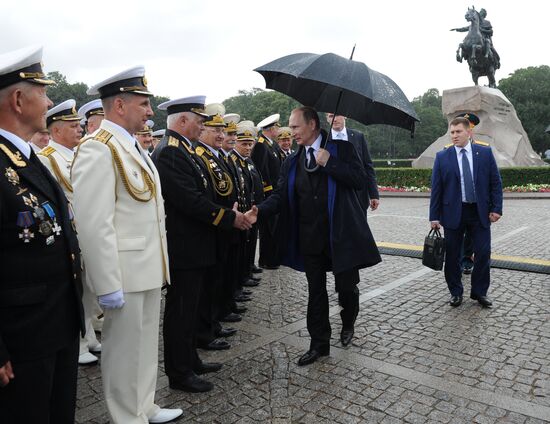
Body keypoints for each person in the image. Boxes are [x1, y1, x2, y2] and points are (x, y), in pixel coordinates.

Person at [71, 66, 182, 424]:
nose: (150, 111)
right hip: (123, 272)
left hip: (148, 266)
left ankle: (144, 405)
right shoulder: (97, 149)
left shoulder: (131, 146)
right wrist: (107, 284)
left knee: (146, 344)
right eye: (144, 103)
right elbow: (93, 223)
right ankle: (125, 416)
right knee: (122, 353)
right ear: (119, 104)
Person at [245, 107, 381, 366]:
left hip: (341, 236)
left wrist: (330, 163)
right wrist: (258, 212)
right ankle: (318, 344)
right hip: (309, 237)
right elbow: (280, 196)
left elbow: (359, 180)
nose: (291, 132)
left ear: (313, 125)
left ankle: (348, 322)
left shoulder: (343, 150)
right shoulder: (291, 161)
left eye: (295, 127)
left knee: (346, 288)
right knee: (315, 292)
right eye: (290, 127)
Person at [0, 45, 85, 423]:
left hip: (56, 323)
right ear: (18, 99)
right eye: (43, 93)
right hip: (21, 338)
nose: (50, 101)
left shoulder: (27, 158)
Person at [151, 96, 250, 394]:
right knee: (181, 311)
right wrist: (229, 218)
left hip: (195, 243)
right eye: (200, 120)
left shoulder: (185, 150)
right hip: (184, 246)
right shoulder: (170, 152)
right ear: (183, 121)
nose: (204, 126)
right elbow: (189, 201)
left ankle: (190, 359)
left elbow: (202, 193)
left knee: (190, 309)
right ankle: (179, 373)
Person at [38, 99, 102, 366]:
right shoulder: (46, 158)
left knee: (88, 288)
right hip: (69, 232)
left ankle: (89, 335)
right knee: (74, 290)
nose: (79, 129)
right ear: (55, 130)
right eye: (73, 126)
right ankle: (78, 344)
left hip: (87, 230)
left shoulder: (78, 154)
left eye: (79, 125)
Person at [429, 116, 503, 308]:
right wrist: (434, 216)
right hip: (453, 212)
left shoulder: (485, 153)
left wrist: (496, 208)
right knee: (452, 255)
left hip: (479, 212)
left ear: (469, 132)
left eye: (458, 132)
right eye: (452, 132)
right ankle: (455, 292)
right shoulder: (442, 157)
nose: (454, 136)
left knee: (483, 252)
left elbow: (495, 182)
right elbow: (437, 189)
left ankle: (479, 293)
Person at [326, 113, 379, 212]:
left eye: (337, 115)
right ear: (327, 119)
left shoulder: (358, 136)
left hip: (358, 195)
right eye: (330, 116)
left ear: (345, 116)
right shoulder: (323, 140)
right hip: (334, 197)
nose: (334, 119)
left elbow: (368, 166)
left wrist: (374, 194)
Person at [252, 113, 282, 269]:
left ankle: (273, 257)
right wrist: (267, 191)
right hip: (268, 193)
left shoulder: (272, 145)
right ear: (271, 129)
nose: (278, 129)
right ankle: (266, 260)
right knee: (268, 229)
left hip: (275, 192)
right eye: (277, 127)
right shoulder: (261, 145)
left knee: (275, 228)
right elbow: (261, 171)